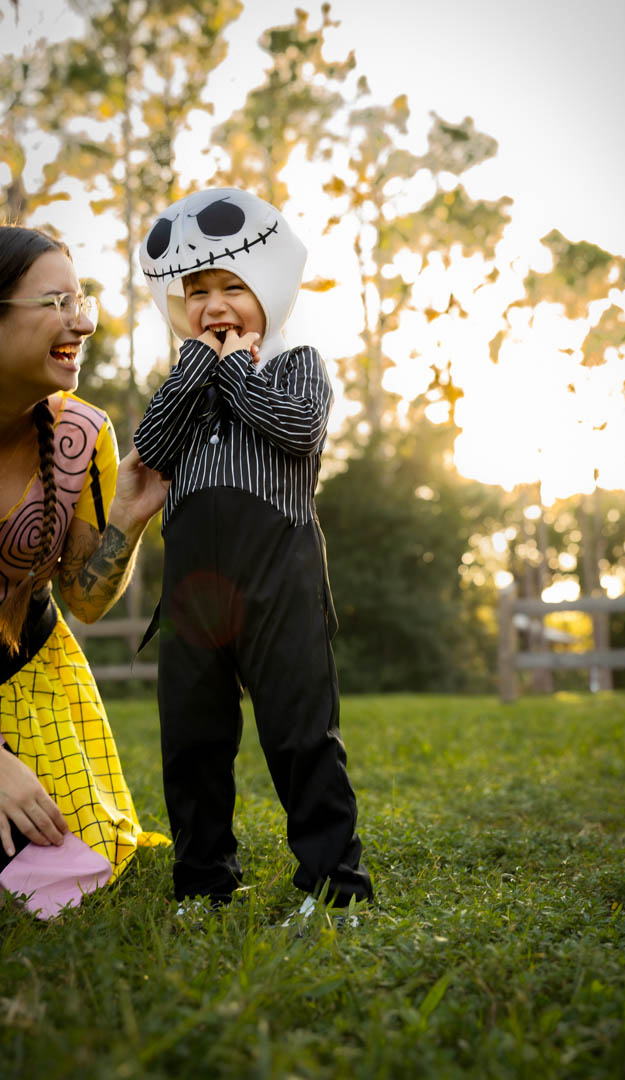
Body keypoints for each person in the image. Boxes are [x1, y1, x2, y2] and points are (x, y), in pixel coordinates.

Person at [134, 188, 372, 915]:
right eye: (197, 291)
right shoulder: (184, 386)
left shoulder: (298, 365)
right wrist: (196, 373)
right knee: (192, 741)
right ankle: (205, 881)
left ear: (267, 290)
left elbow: (295, 429)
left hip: (279, 577)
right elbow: (151, 447)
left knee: (301, 731)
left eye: (232, 287)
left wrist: (234, 369)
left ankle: (335, 884)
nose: (215, 306)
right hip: (193, 591)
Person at [0, 224, 170, 919]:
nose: (82, 320)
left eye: (83, 298)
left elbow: (85, 601)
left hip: (32, 678)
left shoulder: (81, 437)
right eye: (57, 301)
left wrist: (128, 517)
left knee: (74, 871)